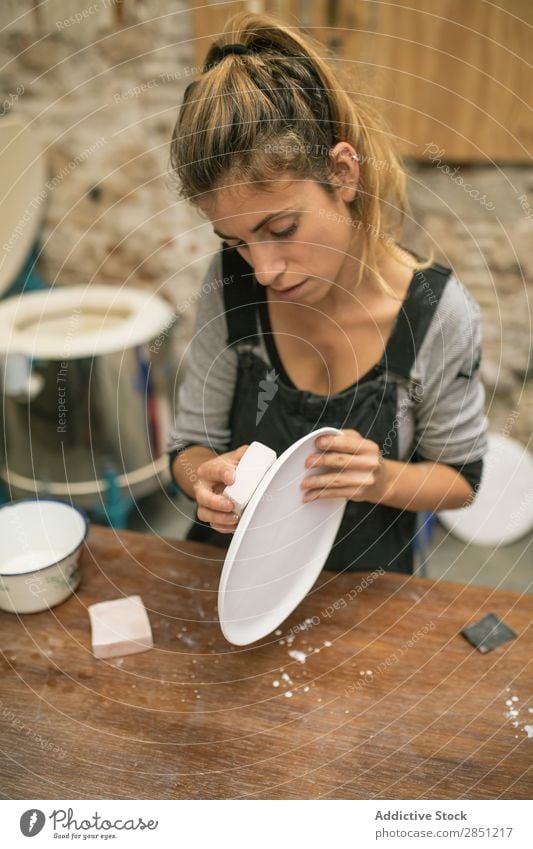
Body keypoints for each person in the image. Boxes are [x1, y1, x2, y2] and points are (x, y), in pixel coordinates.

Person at [166, 12, 488, 574]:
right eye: (236, 240)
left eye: (282, 229)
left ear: (343, 173)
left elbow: (461, 483)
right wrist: (204, 478)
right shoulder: (232, 282)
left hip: (369, 591)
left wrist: (382, 477)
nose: (263, 270)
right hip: (235, 579)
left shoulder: (435, 315)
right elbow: (189, 446)